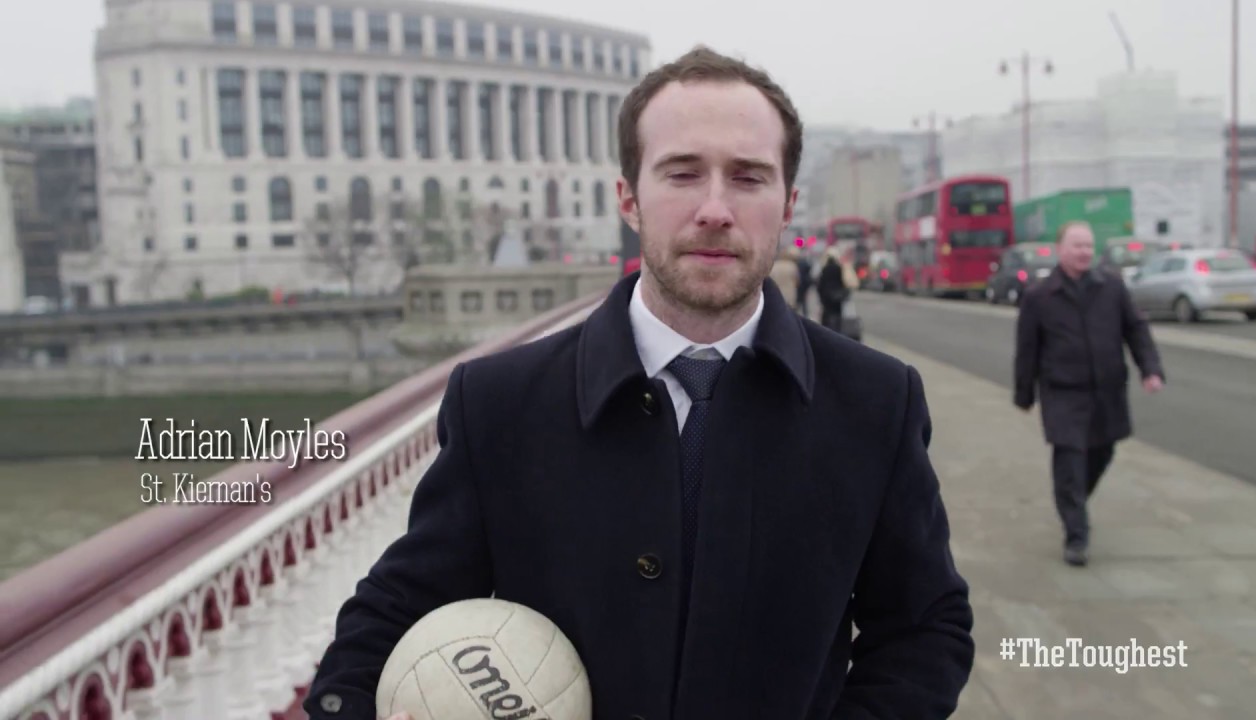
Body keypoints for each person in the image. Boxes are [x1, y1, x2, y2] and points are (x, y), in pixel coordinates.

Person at [305, 46, 974, 720]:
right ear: (628, 197)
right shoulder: (498, 404)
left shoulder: (875, 402)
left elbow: (924, 628)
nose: (715, 208)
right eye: (683, 173)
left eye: (748, 177)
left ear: (788, 203)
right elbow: (397, 608)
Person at [1014, 221, 1165, 568]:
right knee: (1069, 460)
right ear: (1059, 249)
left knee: (1101, 453)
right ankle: (1076, 536)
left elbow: (1136, 331)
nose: (1083, 252)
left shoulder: (1111, 287)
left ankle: (1075, 501)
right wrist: (1024, 394)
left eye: (1088, 246)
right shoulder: (1040, 296)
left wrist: (1151, 369)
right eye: (1076, 245)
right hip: (1063, 393)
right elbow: (1027, 349)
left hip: (1106, 393)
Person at [816, 245, 850, 332]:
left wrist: (821, 297)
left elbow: (821, 284)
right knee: (837, 315)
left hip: (827, 296)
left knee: (827, 315)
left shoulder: (824, 269)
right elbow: (842, 282)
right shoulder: (838, 268)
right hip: (837, 296)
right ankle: (837, 331)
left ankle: (827, 331)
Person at [768, 243, 801, 313]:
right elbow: (797, 281)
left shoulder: (774, 266)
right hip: (790, 292)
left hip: (777, 292)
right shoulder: (792, 266)